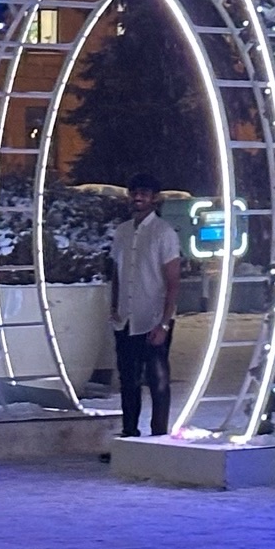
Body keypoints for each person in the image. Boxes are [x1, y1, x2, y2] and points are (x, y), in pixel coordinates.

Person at [108, 175, 182, 439]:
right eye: (134, 192)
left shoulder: (163, 233)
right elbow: (117, 270)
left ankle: (159, 436)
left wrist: (164, 322)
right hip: (126, 319)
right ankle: (130, 434)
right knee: (128, 381)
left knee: (157, 380)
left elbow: (173, 280)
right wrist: (114, 305)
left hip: (152, 318)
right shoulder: (122, 231)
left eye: (144, 193)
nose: (138, 197)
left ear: (154, 198)